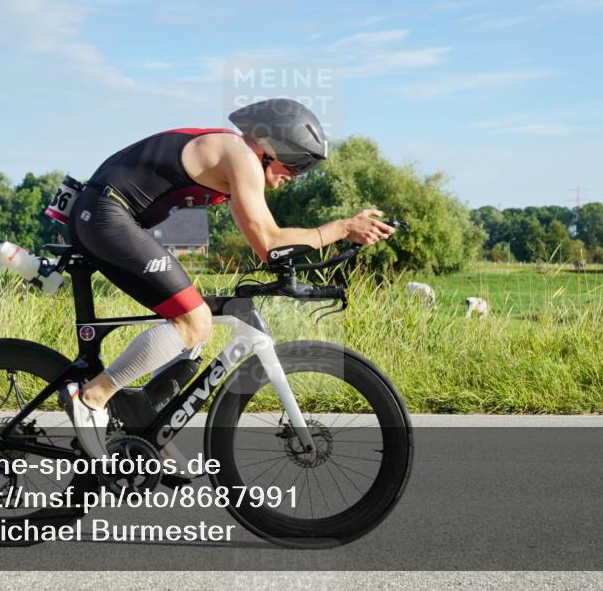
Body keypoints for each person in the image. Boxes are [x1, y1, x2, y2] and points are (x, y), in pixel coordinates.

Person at [59, 98, 396, 459]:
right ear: (270, 144)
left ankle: (139, 415)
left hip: (104, 215)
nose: (293, 177)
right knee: (193, 320)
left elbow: (267, 243)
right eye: (296, 164)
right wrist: (342, 227)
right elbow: (269, 243)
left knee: (198, 318)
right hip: (107, 216)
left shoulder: (235, 157)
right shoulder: (240, 155)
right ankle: (92, 397)